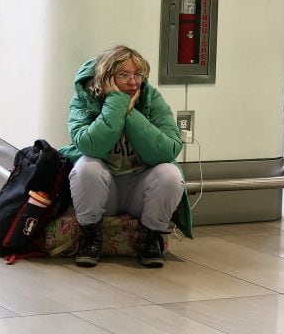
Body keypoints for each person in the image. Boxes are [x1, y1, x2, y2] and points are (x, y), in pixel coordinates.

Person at [61, 45, 193, 267]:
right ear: (106, 78)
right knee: (87, 166)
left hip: (139, 189)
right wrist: (116, 104)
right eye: (124, 75)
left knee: (170, 173)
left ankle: (150, 238)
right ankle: (90, 237)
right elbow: (89, 145)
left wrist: (130, 115)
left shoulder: (151, 97)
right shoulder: (84, 98)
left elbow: (168, 149)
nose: (133, 82)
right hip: (105, 189)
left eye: (138, 74)